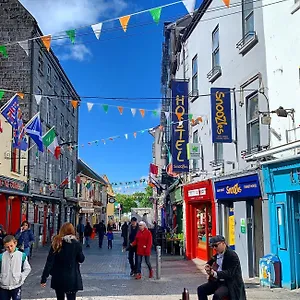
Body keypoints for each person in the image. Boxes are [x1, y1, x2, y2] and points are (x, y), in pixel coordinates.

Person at [41, 223, 85, 300]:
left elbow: (49, 262)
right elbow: (81, 259)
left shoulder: (57, 243)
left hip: (58, 277)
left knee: (60, 298)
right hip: (72, 277)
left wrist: (44, 278)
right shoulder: (76, 244)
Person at [197, 235, 246, 300]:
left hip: (229, 284)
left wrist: (214, 273)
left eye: (216, 245)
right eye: (212, 246)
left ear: (223, 243)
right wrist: (207, 266)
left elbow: (229, 273)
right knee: (201, 289)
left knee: (217, 295)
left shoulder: (232, 255)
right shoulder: (218, 254)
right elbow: (211, 261)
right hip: (218, 281)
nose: (214, 248)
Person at [0, 235, 31, 300]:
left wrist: (21, 277)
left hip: (16, 285)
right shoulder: (2, 256)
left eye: (11, 246)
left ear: (15, 243)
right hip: (4, 285)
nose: (10, 248)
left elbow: (27, 268)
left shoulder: (21, 255)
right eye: (7, 247)